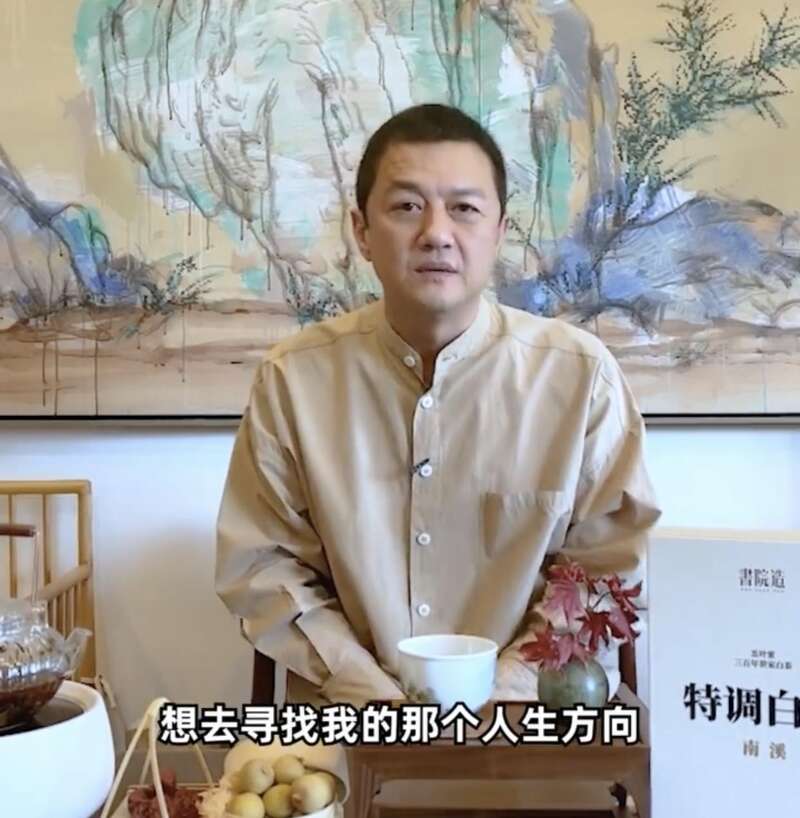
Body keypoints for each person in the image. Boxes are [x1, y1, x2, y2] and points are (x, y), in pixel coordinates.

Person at [215, 102, 661, 708]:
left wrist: (506, 688)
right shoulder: (293, 380)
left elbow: (610, 566)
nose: (436, 233)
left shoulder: (581, 378)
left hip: (529, 720)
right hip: (350, 720)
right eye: (406, 206)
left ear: (500, 231)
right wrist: (366, 688)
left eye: (465, 209)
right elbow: (263, 566)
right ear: (361, 231)